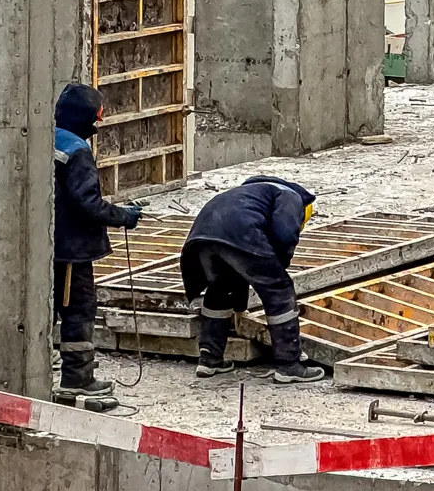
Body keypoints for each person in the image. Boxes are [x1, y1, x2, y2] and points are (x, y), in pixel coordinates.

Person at [180, 176, 327, 383]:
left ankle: (209, 359)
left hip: (201, 239)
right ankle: (289, 365)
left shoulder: (247, 195)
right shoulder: (292, 197)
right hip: (238, 233)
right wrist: (278, 267)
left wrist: (240, 306)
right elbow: (284, 235)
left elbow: (239, 273)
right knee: (279, 289)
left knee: (220, 287)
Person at [53, 83, 144, 407]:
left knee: (47, 312)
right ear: (85, 117)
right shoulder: (77, 150)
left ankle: (41, 371)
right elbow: (87, 204)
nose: (100, 123)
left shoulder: (45, 137)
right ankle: (78, 378)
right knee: (78, 312)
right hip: (71, 250)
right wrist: (124, 217)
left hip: (46, 246)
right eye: (97, 117)